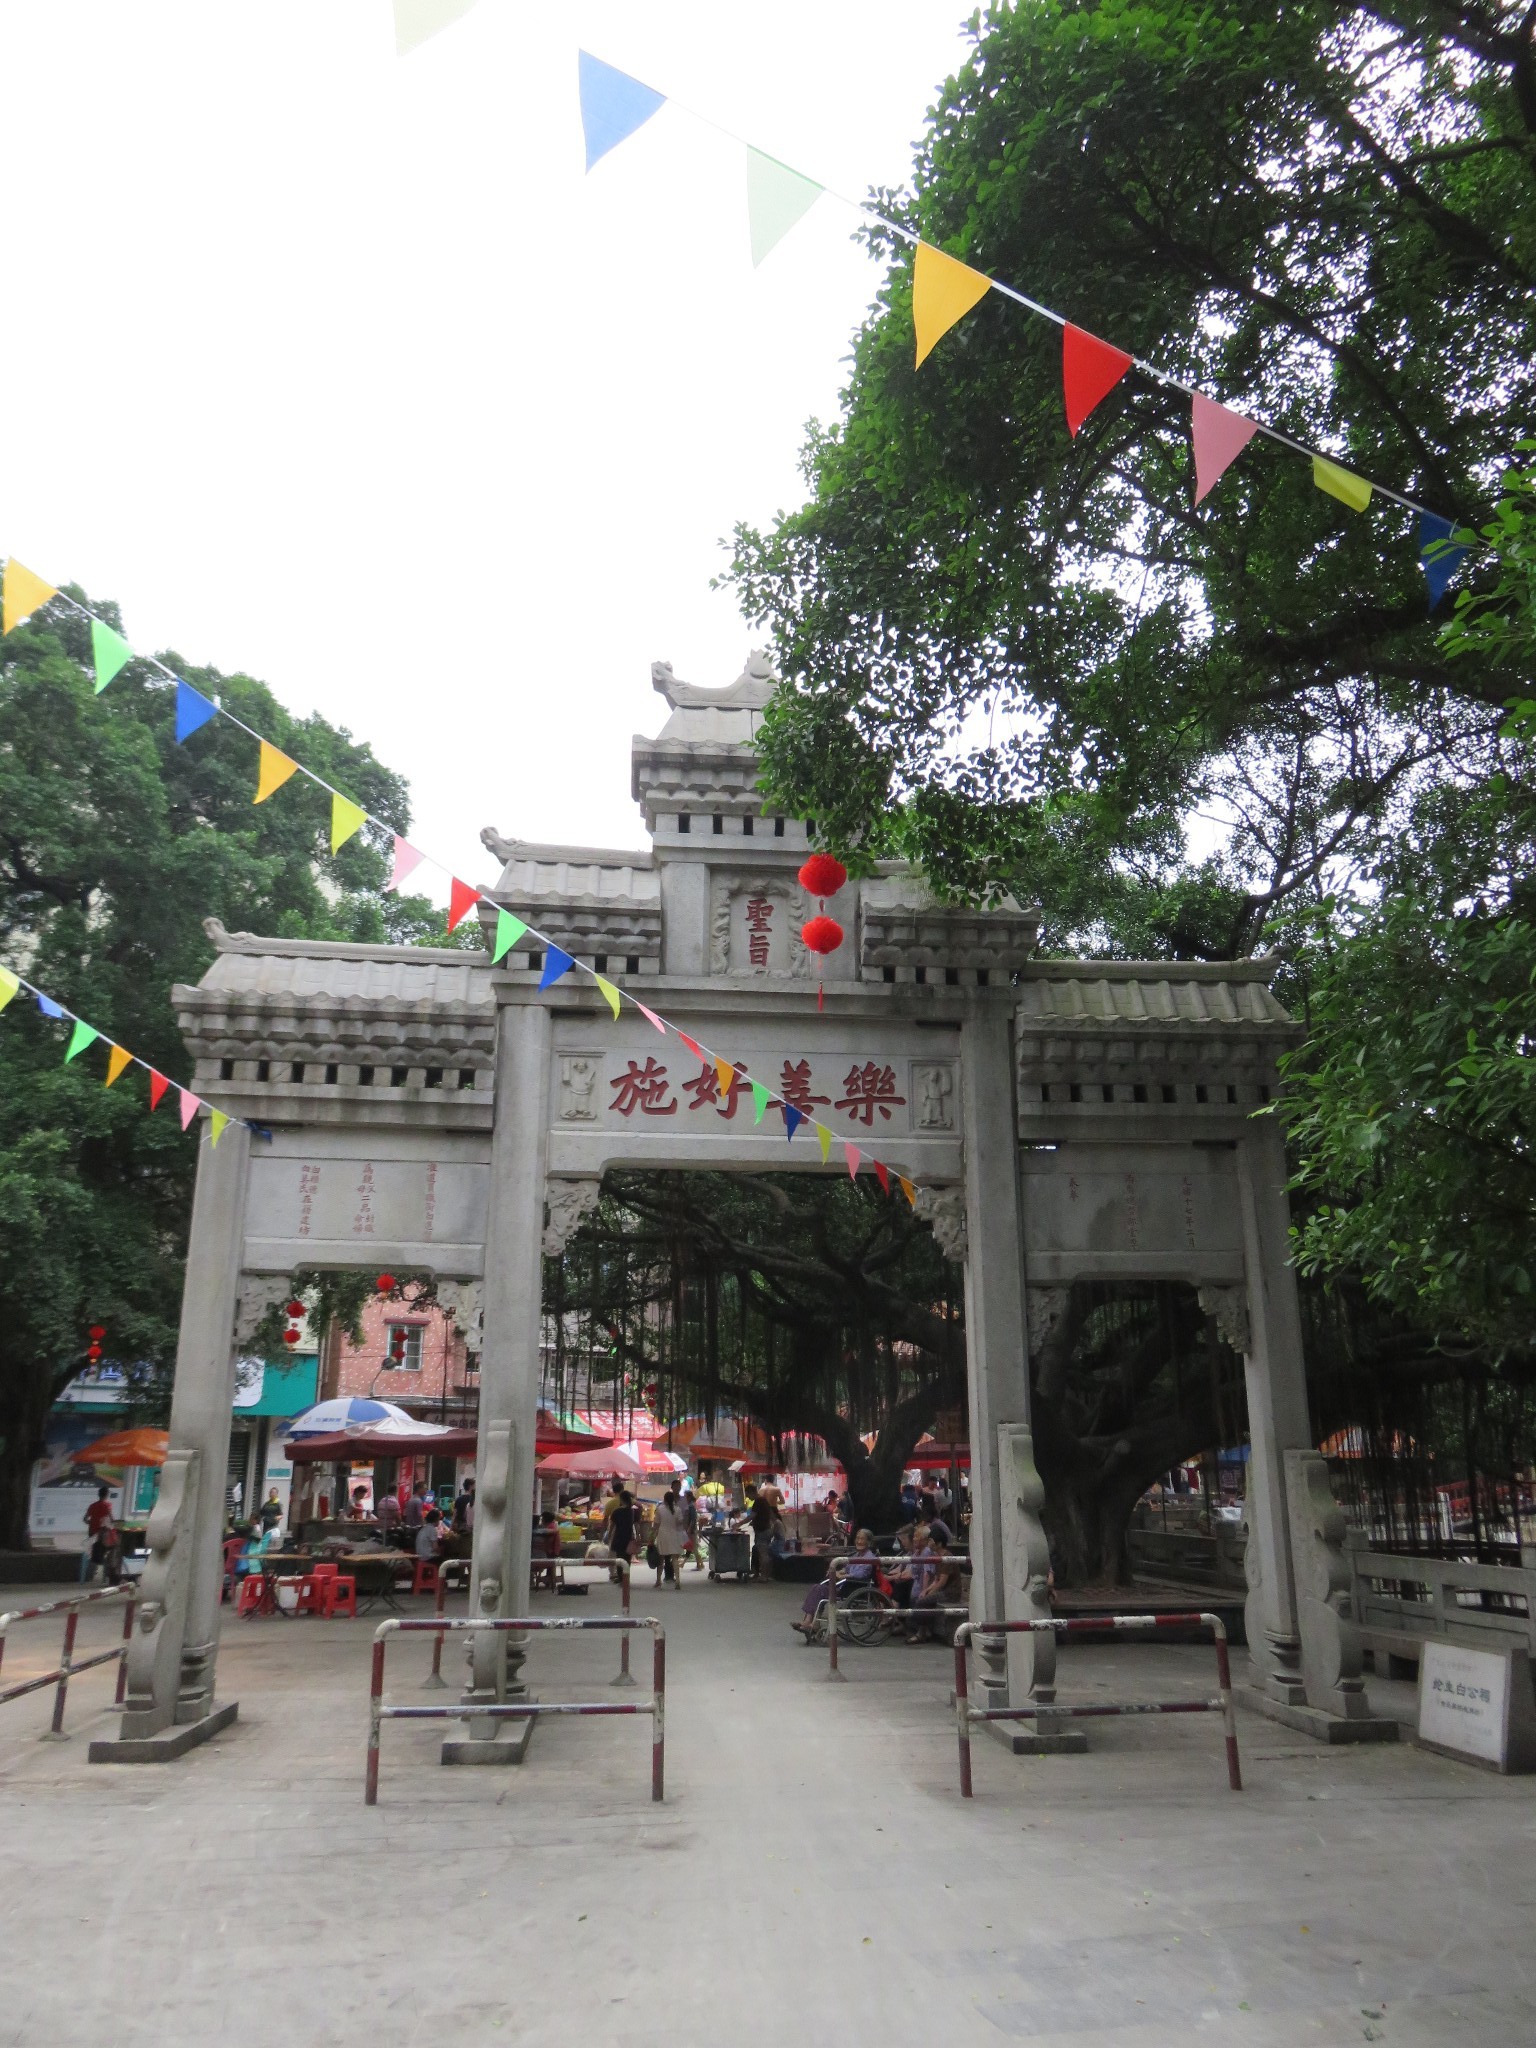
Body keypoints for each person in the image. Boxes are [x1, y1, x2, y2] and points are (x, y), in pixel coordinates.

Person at [793, 1526, 878, 1637]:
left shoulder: (869, 1557)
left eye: (862, 1539)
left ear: (869, 1542)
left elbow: (861, 1574)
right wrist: (838, 1571)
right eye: (857, 1538)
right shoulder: (857, 1555)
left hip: (853, 1586)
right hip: (847, 1583)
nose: (859, 1541)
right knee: (818, 1588)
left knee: (819, 1589)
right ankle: (811, 1622)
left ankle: (810, 1622)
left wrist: (843, 1576)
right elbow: (847, 1568)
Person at [905, 1528, 965, 1642]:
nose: (929, 1543)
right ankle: (924, 1631)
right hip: (943, 1591)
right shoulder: (937, 1556)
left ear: (939, 1543)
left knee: (922, 1602)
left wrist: (929, 1594)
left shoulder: (947, 1557)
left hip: (950, 1593)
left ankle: (921, 1632)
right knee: (921, 1598)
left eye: (931, 1541)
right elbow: (936, 1580)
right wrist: (925, 1590)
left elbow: (942, 1582)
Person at [652, 1488, 687, 1587]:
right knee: (675, 1558)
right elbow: (680, 1522)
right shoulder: (678, 1509)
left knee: (661, 1559)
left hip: (662, 1535)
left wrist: (652, 1535)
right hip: (674, 1534)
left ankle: (658, 1580)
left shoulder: (659, 1509)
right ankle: (678, 1581)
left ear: (664, 1499)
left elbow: (656, 1524)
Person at [81, 1485, 116, 1584]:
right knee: (110, 1552)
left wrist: (92, 1523)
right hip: (102, 1535)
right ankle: (105, 1577)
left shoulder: (92, 1506)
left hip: (92, 1534)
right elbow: (112, 1519)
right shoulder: (107, 1505)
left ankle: (89, 1576)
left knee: (93, 1553)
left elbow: (85, 1519)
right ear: (107, 1495)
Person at [747, 1483, 780, 1582]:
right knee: (761, 1552)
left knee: (763, 1554)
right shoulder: (763, 1500)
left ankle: (764, 1576)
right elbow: (770, 1514)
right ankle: (762, 1574)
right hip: (766, 1529)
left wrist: (739, 1523)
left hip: (762, 1530)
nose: (748, 1497)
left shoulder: (758, 1501)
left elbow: (752, 1516)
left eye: (748, 1494)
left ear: (751, 1492)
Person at [532, 1510, 562, 1591]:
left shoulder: (549, 1527)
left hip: (551, 1551)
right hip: (553, 1551)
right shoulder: (552, 1526)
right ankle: (549, 1580)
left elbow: (549, 1542)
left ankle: (548, 1580)